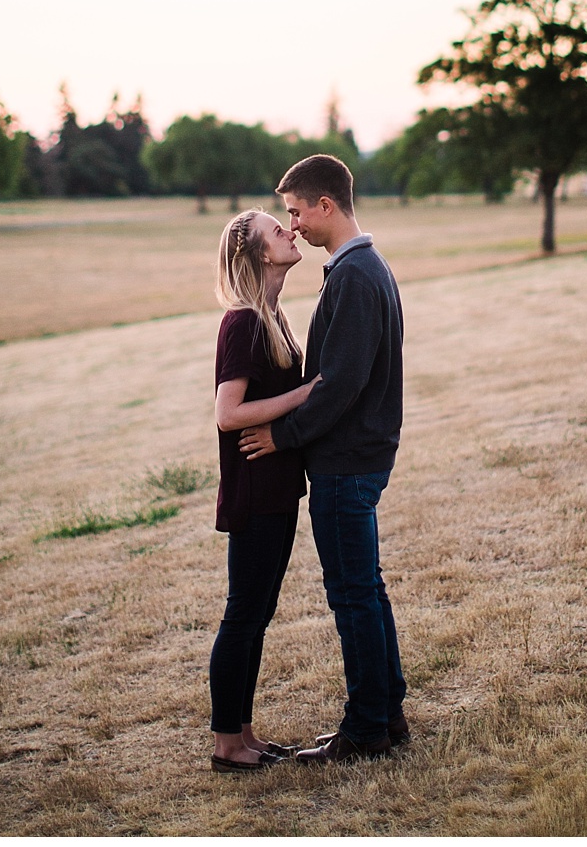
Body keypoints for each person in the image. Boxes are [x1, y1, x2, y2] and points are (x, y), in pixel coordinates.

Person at [239, 154, 408, 764]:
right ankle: (387, 714)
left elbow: (339, 384)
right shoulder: (359, 267)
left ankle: (366, 729)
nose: (295, 225)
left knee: (353, 596)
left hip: (348, 461)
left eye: (295, 211)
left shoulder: (357, 275)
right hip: (356, 455)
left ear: (325, 206)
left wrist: (283, 438)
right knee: (368, 591)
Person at [208, 208, 320, 774]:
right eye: (277, 230)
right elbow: (229, 414)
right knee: (244, 614)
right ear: (257, 255)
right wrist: (305, 396)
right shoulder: (246, 321)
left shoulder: (272, 315)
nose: (291, 231)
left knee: (258, 613)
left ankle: (244, 734)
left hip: (278, 488)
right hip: (254, 490)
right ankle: (227, 744)